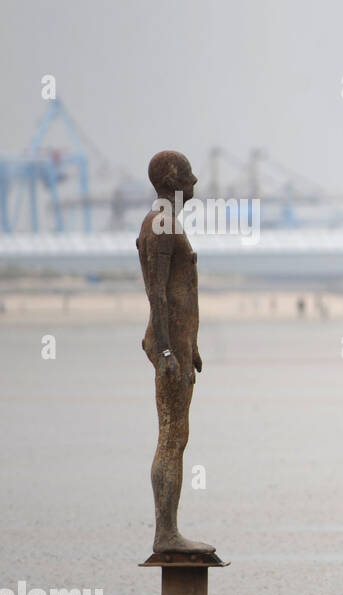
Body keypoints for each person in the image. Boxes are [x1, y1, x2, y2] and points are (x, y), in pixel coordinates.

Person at [138, 150, 214, 555]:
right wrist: (167, 348)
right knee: (172, 436)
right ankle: (166, 532)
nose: (195, 183)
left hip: (180, 345)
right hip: (170, 347)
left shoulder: (164, 221)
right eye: (188, 176)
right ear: (172, 180)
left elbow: (179, 291)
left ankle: (169, 529)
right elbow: (158, 291)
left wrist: (191, 344)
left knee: (177, 437)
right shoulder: (162, 224)